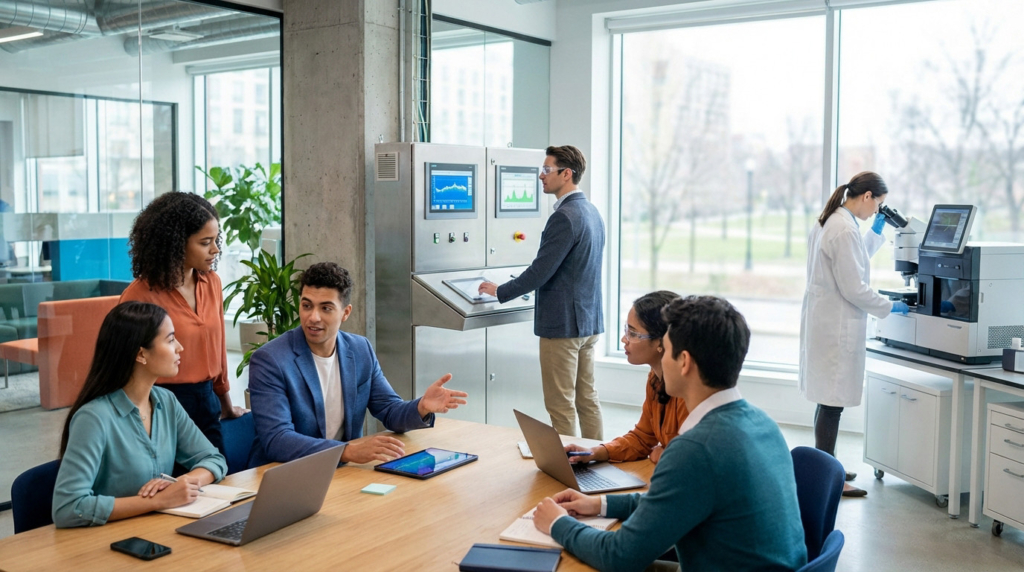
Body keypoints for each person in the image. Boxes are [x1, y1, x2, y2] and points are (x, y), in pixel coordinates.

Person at [532, 296, 807, 571]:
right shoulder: (764, 423)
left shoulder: (696, 449)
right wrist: (601, 504)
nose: (661, 359)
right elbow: (670, 501)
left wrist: (557, 523)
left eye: (665, 352)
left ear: (684, 362)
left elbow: (619, 557)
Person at [248, 262, 468, 466]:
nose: (313, 317)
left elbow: (389, 410)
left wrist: (421, 407)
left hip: (341, 472)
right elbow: (277, 440)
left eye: (326, 308)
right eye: (307, 306)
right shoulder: (270, 360)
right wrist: (347, 451)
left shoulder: (360, 349)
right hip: (284, 475)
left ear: (345, 313)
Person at [53, 302, 227, 528]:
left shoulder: (166, 401)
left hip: (155, 532)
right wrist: (158, 501)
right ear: (141, 353)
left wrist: (186, 482)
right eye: (171, 339)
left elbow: (214, 459)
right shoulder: (93, 418)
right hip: (106, 545)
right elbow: (68, 508)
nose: (180, 348)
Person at [478, 145, 606, 439]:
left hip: (562, 327)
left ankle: (569, 469)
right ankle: (596, 459)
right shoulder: (591, 212)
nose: (541, 176)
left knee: (560, 405)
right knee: (587, 399)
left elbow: (540, 271)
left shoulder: (565, 217)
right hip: (588, 323)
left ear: (566, 174)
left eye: (547, 170)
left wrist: (502, 290)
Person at [799, 171, 907, 498]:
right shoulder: (844, 229)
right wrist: (890, 306)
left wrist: (875, 233)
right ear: (867, 196)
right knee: (832, 404)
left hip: (826, 322)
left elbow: (852, 261)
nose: (876, 212)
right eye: (878, 206)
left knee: (827, 400)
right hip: (836, 326)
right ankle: (830, 478)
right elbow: (854, 286)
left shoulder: (830, 221)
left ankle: (827, 463)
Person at [120, 192, 246, 457]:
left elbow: (217, 349)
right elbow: (124, 367)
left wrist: (226, 404)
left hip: (207, 400)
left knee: (217, 478)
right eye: (205, 242)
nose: (216, 249)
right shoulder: (140, 295)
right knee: (174, 488)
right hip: (160, 404)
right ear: (175, 243)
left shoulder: (212, 282)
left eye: (216, 240)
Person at [565, 291, 688, 465]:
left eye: (633, 333)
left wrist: (665, 453)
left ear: (661, 342)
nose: (624, 339)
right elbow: (642, 438)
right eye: (626, 330)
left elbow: (687, 457)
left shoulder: (688, 388)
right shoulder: (655, 378)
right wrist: (594, 452)